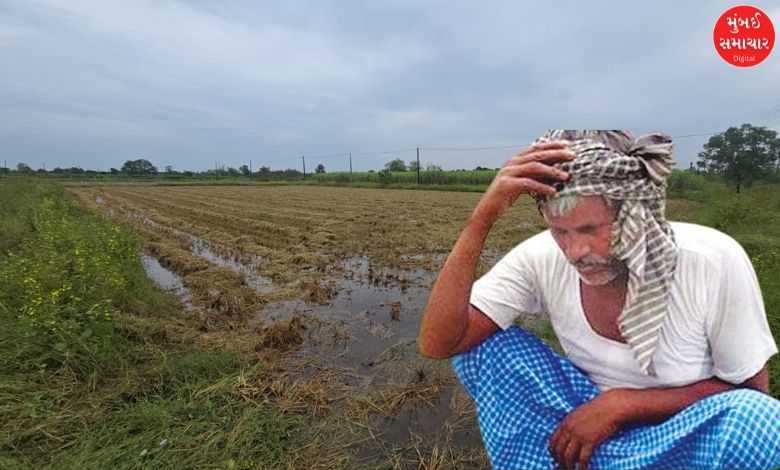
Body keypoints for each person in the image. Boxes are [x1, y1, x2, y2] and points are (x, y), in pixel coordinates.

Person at [419, 130, 780, 470]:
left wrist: (624, 405)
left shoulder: (711, 260)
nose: (575, 252)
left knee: (757, 422)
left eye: (591, 230)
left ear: (637, 213)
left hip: (680, 435)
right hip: (581, 426)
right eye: (560, 231)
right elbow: (440, 342)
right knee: (483, 349)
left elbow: (752, 394)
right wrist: (481, 220)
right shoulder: (540, 257)